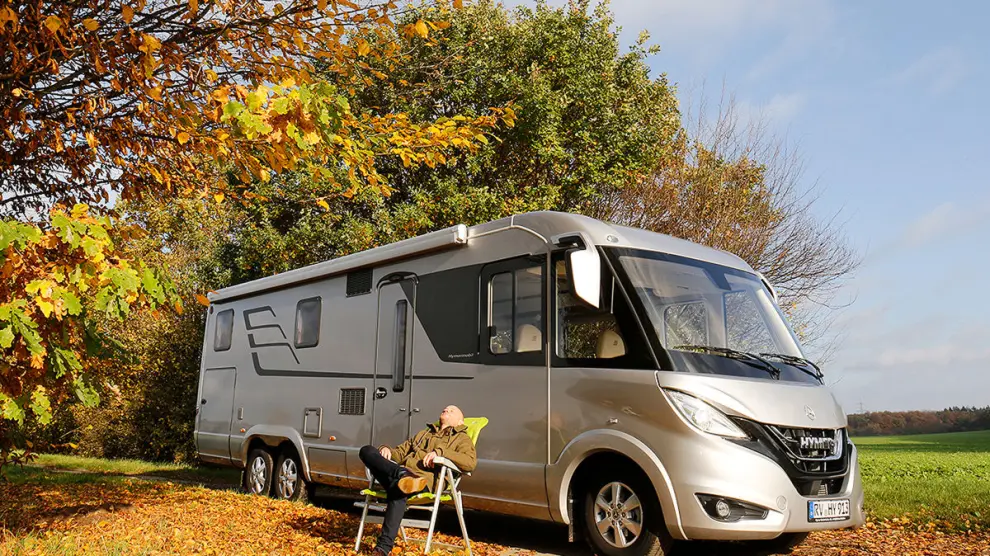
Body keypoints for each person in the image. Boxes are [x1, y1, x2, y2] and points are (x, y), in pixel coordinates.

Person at [358, 405, 478, 556]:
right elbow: (400, 453)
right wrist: (387, 450)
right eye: (445, 408)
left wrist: (441, 453)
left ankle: (382, 548)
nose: (446, 410)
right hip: (402, 474)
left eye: (452, 410)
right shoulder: (424, 433)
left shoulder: (461, 438)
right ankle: (401, 473)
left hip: (424, 480)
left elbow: (470, 462)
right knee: (366, 450)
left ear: (460, 422)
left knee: (399, 489)